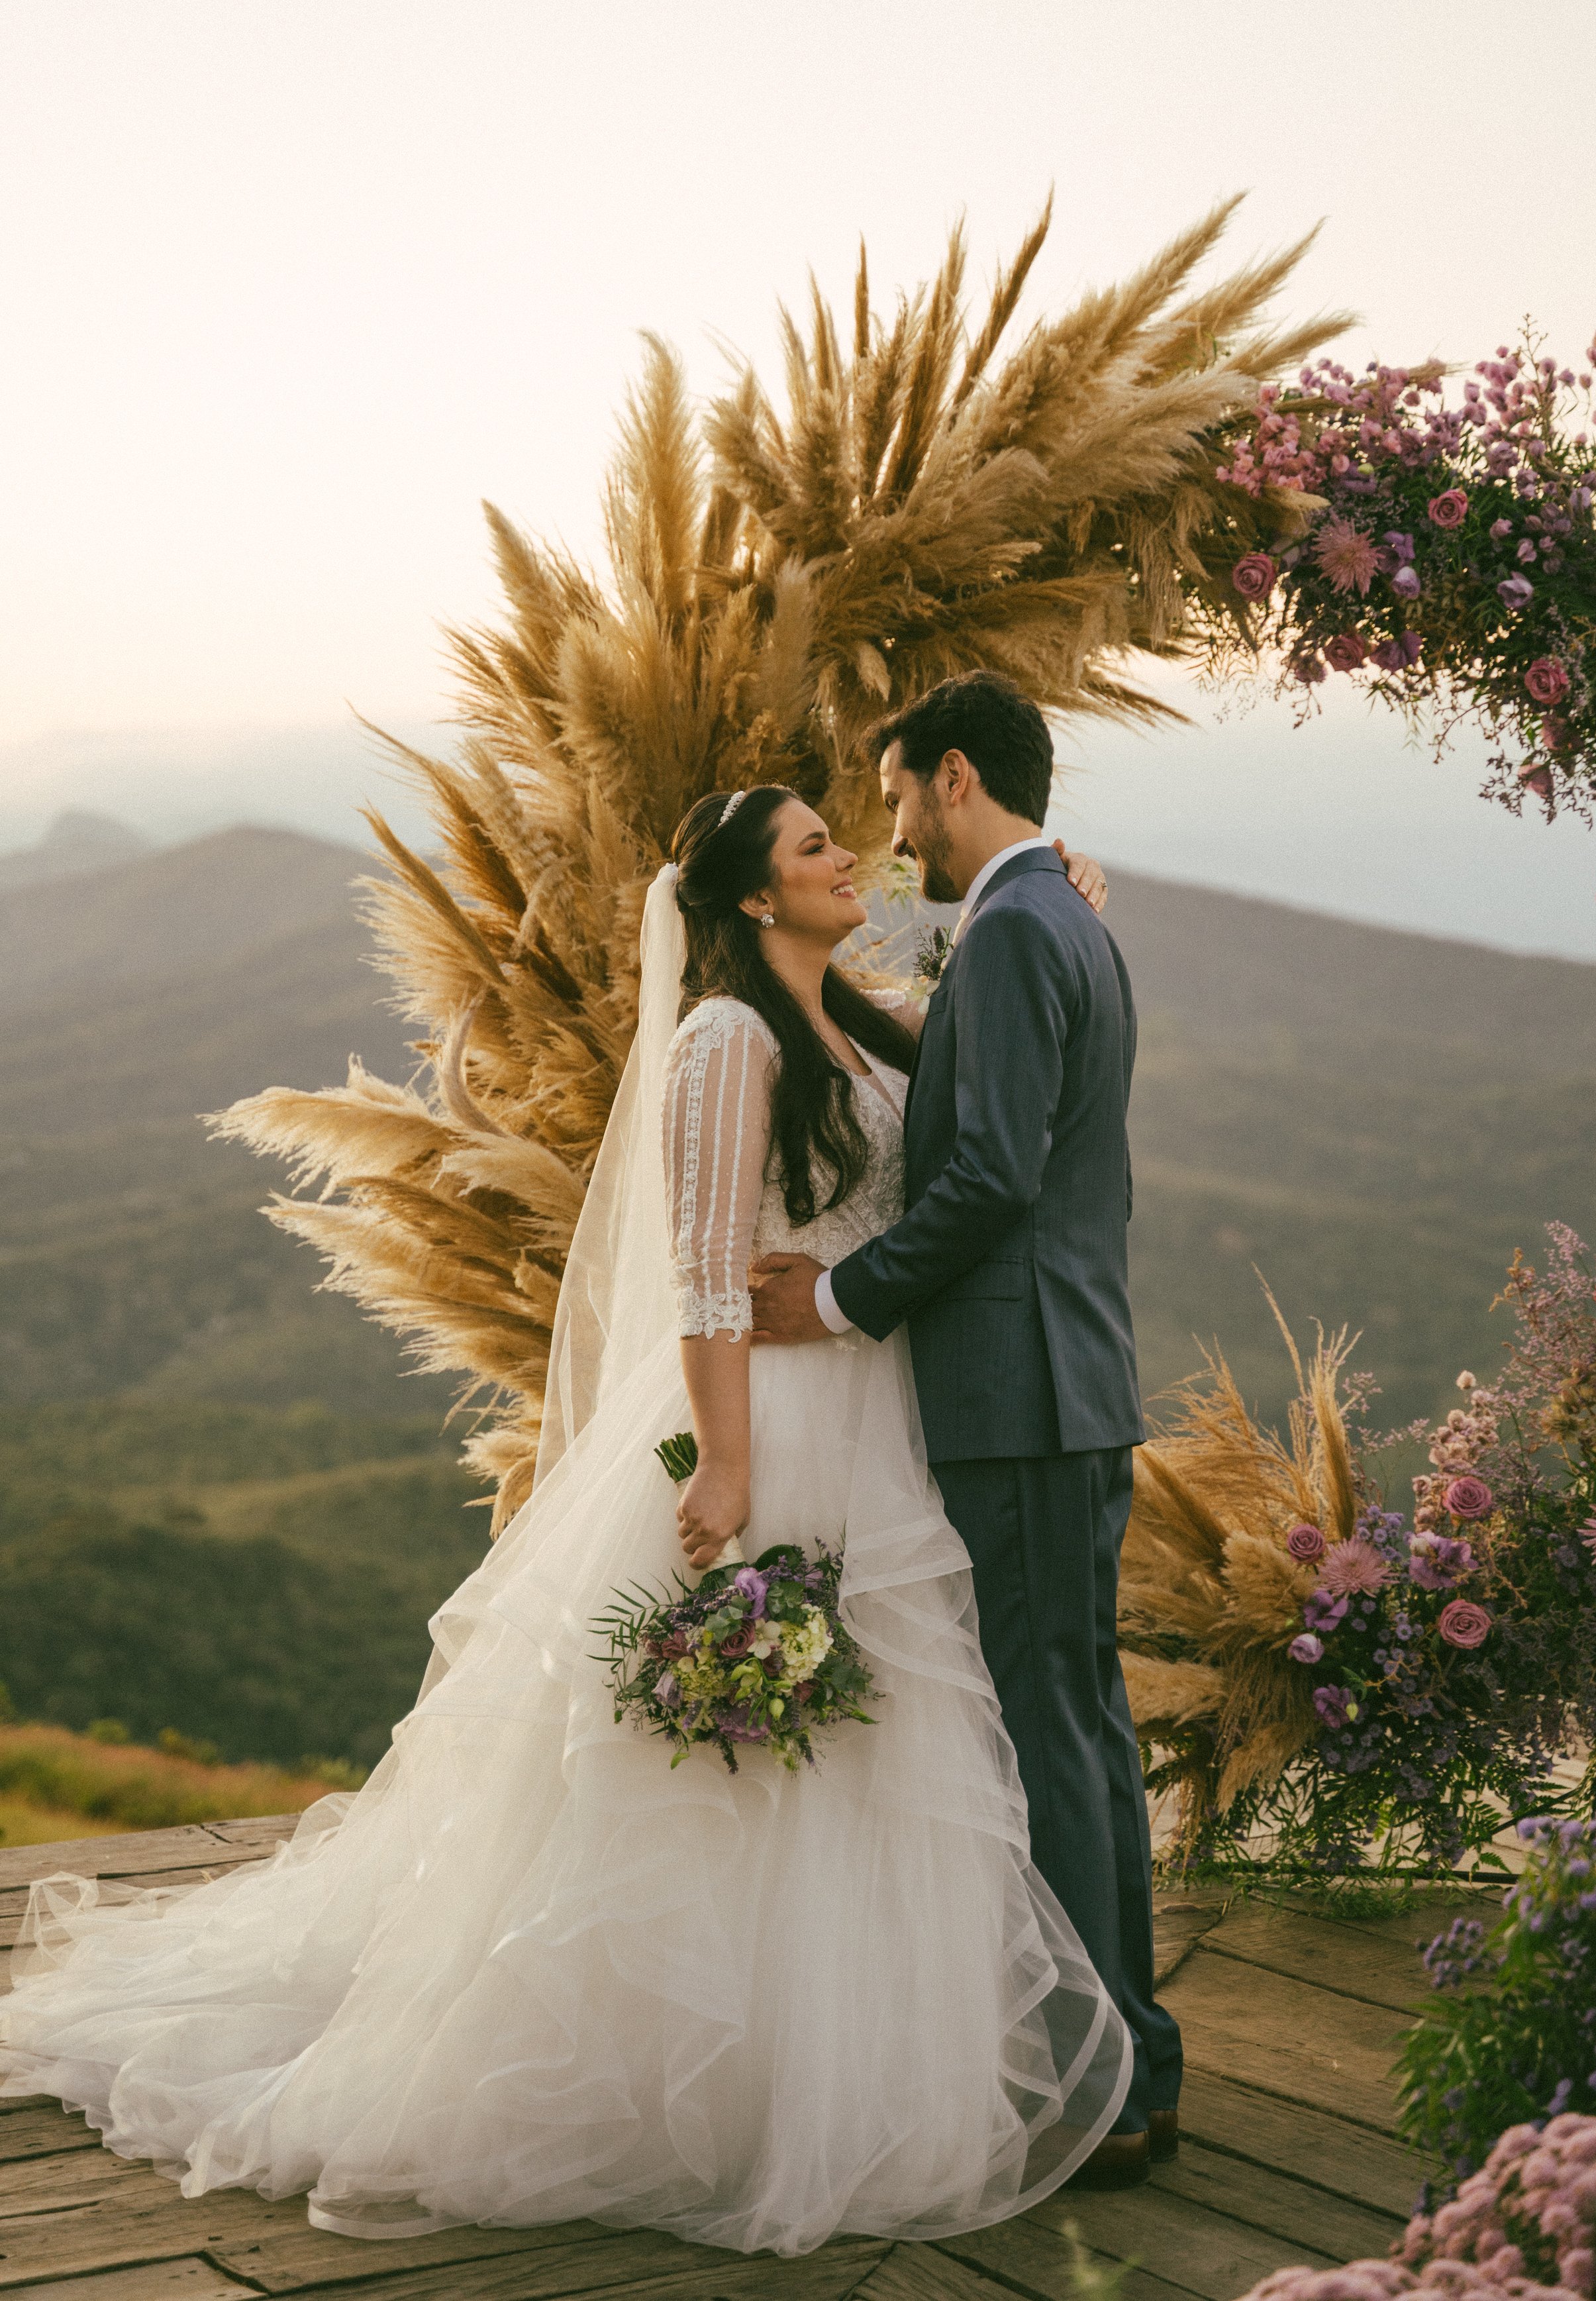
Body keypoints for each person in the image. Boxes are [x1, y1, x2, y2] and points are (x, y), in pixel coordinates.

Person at [0, 780, 1131, 2257]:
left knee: (874, 1746)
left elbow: (959, 1126)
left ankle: (844, 2067)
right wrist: (724, 1468)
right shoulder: (726, 1040)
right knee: (748, 1755)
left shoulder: (853, 1023)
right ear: (747, 900)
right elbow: (708, 1273)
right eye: (808, 847)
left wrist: (1049, 926)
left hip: (881, 1427)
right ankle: (698, 2086)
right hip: (776, 1430)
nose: (844, 853)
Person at [750, 672, 1184, 2187]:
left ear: (950, 779)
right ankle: (1129, 2054)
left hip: (1019, 1392)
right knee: (1081, 1723)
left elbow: (990, 1175)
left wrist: (843, 1299)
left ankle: (1102, 2078)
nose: (889, 842)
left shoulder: (1012, 930)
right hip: (1068, 1384)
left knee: (1046, 1724)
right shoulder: (1066, 920)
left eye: (890, 805)